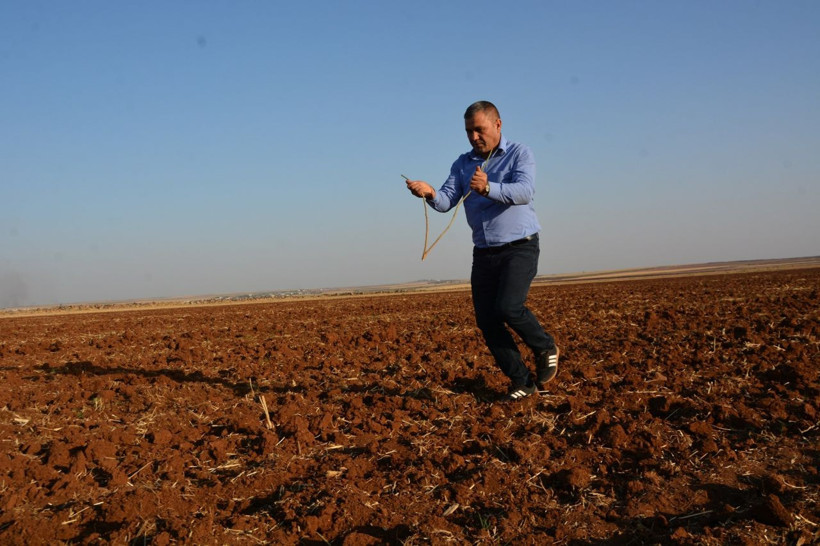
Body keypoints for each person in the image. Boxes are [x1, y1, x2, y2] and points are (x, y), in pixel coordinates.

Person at [405, 100, 559, 401]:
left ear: (497, 125)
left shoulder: (519, 153)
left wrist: (490, 188)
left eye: (479, 129)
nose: (474, 136)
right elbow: (447, 200)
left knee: (508, 308)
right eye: (468, 132)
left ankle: (544, 346)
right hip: (484, 253)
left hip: (520, 247)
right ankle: (522, 381)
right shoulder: (462, 164)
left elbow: (525, 191)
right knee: (487, 321)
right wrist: (430, 193)